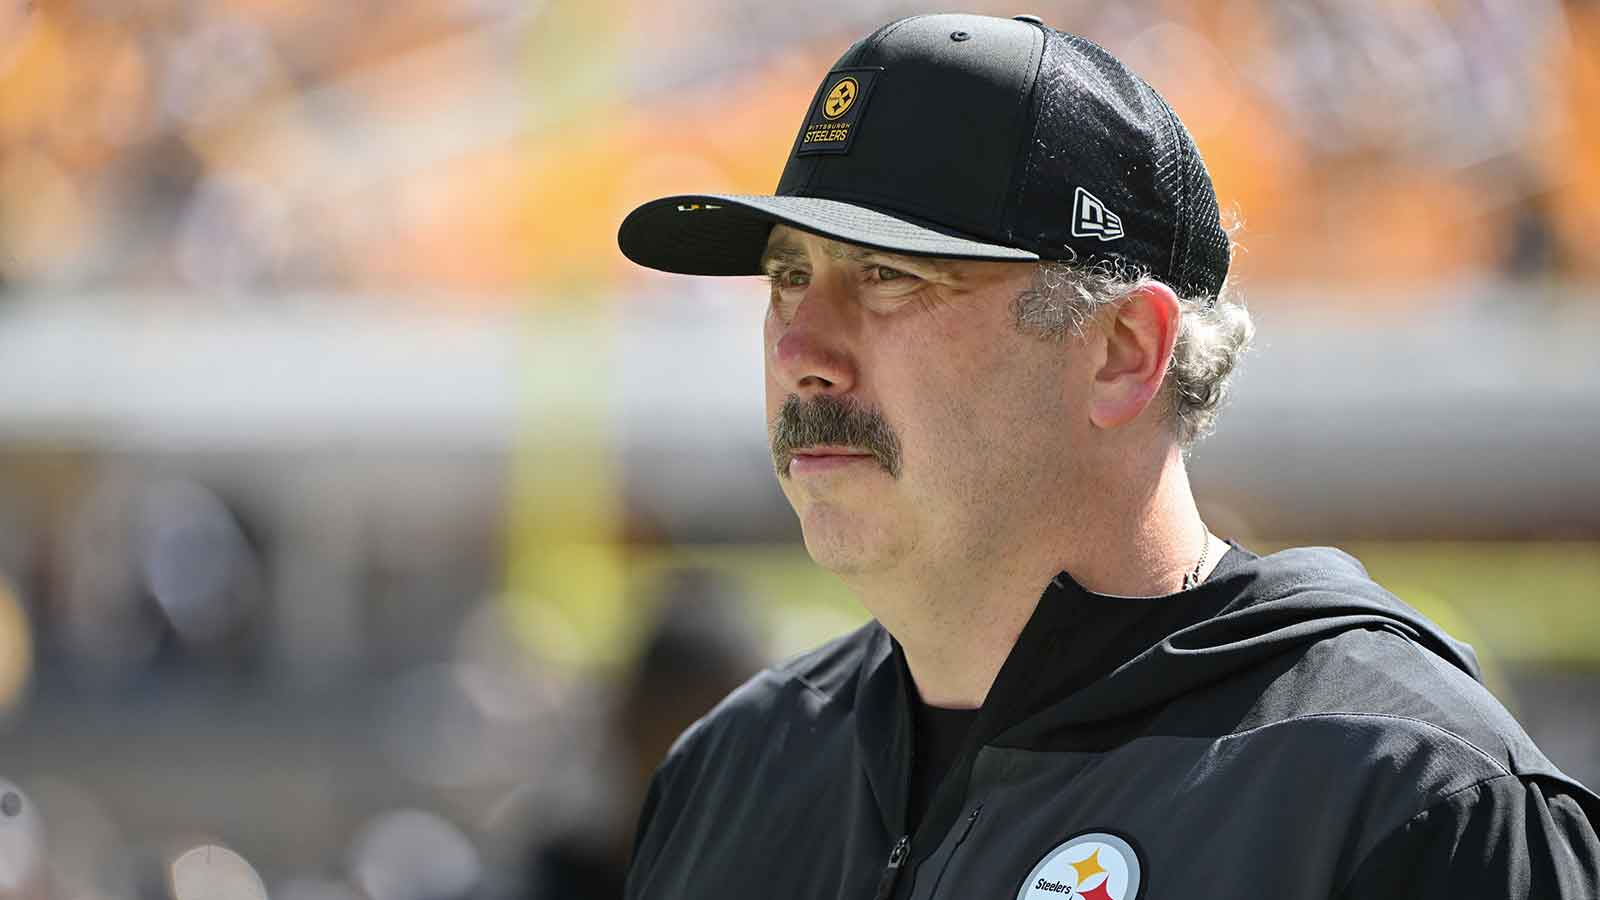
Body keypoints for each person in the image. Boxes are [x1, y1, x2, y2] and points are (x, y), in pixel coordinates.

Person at [614, 13, 1600, 900]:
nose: (799, 349)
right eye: (787, 276)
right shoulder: (733, 769)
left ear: (1123, 352)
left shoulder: (1401, 794)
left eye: (887, 275)